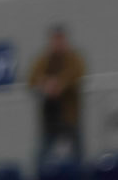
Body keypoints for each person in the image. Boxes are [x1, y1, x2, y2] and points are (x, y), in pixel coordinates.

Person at [28, 25, 86, 162]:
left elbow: (78, 73)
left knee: (77, 154)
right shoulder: (44, 60)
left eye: (61, 39)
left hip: (69, 115)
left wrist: (59, 84)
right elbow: (31, 79)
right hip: (50, 118)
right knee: (42, 155)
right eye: (55, 39)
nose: (58, 43)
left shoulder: (74, 58)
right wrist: (45, 83)